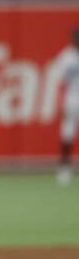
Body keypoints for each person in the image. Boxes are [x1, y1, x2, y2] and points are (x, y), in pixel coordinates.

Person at [55, 28, 79, 187]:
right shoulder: (67, 57)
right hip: (73, 99)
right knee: (67, 132)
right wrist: (59, 103)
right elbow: (59, 82)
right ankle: (64, 168)